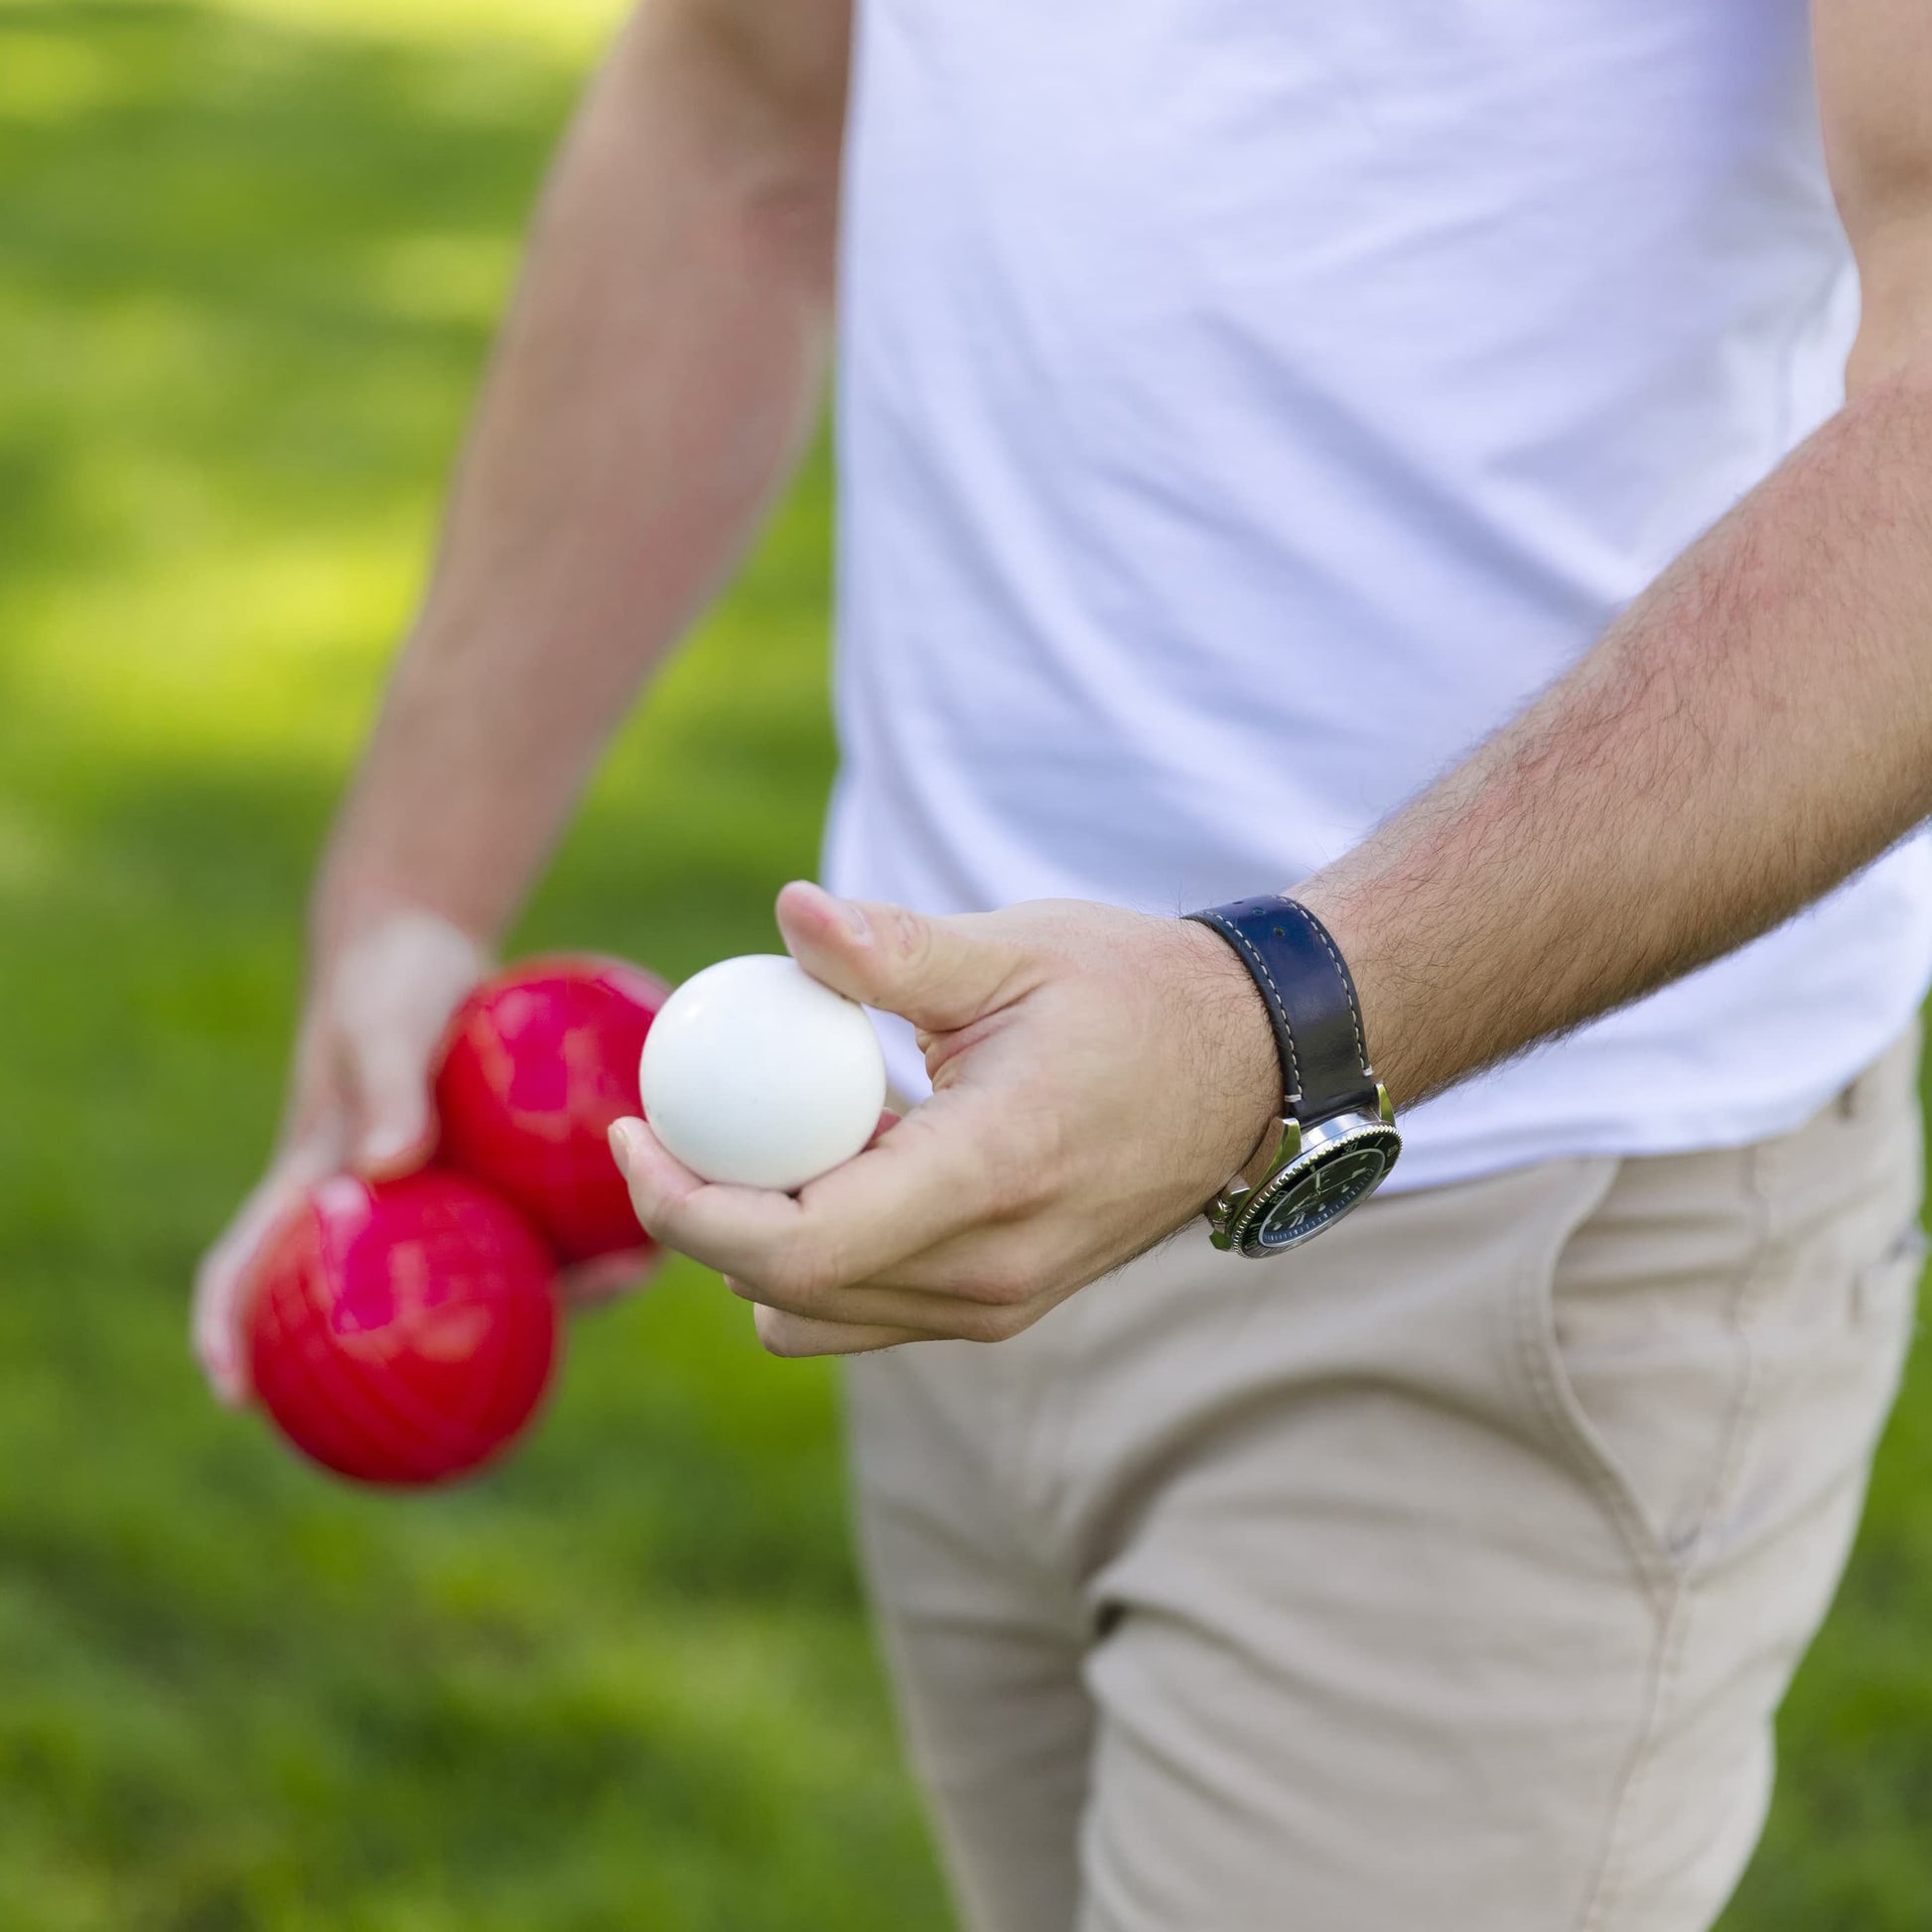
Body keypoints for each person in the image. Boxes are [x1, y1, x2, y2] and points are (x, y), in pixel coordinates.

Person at [197, 2, 1932, 1926]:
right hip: (934, 1155)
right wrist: (411, 897)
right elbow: (734, 108)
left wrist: (1268, 1018)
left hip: (1523, 1207)